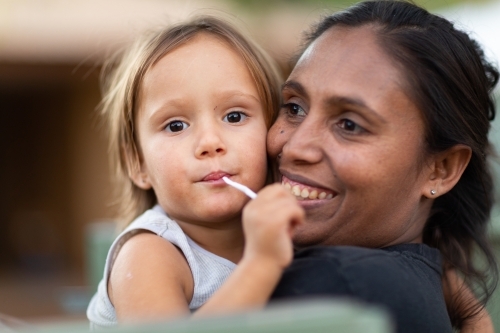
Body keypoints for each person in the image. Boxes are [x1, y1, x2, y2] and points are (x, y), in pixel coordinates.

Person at [263, 1, 498, 332]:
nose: (295, 146)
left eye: (349, 125)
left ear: (441, 169)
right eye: (294, 108)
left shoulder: (336, 287)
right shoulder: (409, 283)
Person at [86, 16, 303, 329]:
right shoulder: (149, 253)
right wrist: (262, 263)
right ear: (139, 164)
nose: (210, 143)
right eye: (176, 125)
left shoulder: (287, 233)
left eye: (234, 116)